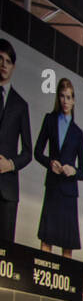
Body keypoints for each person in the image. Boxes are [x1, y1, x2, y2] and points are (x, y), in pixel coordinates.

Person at [32, 77, 83, 257]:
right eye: (62, 96)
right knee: (46, 240)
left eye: (69, 97)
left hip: (69, 193)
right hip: (53, 187)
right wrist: (50, 163)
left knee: (67, 246)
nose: (65, 101)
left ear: (73, 100)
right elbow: (37, 152)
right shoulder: (50, 120)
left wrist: (73, 171)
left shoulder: (78, 133)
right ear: (58, 98)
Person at [0, 39, 33, 244]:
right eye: (0, 59)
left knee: (5, 253)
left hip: (8, 192)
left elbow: (28, 152)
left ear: (13, 66)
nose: (3, 64)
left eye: (8, 61)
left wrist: (10, 165)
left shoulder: (21, 105)